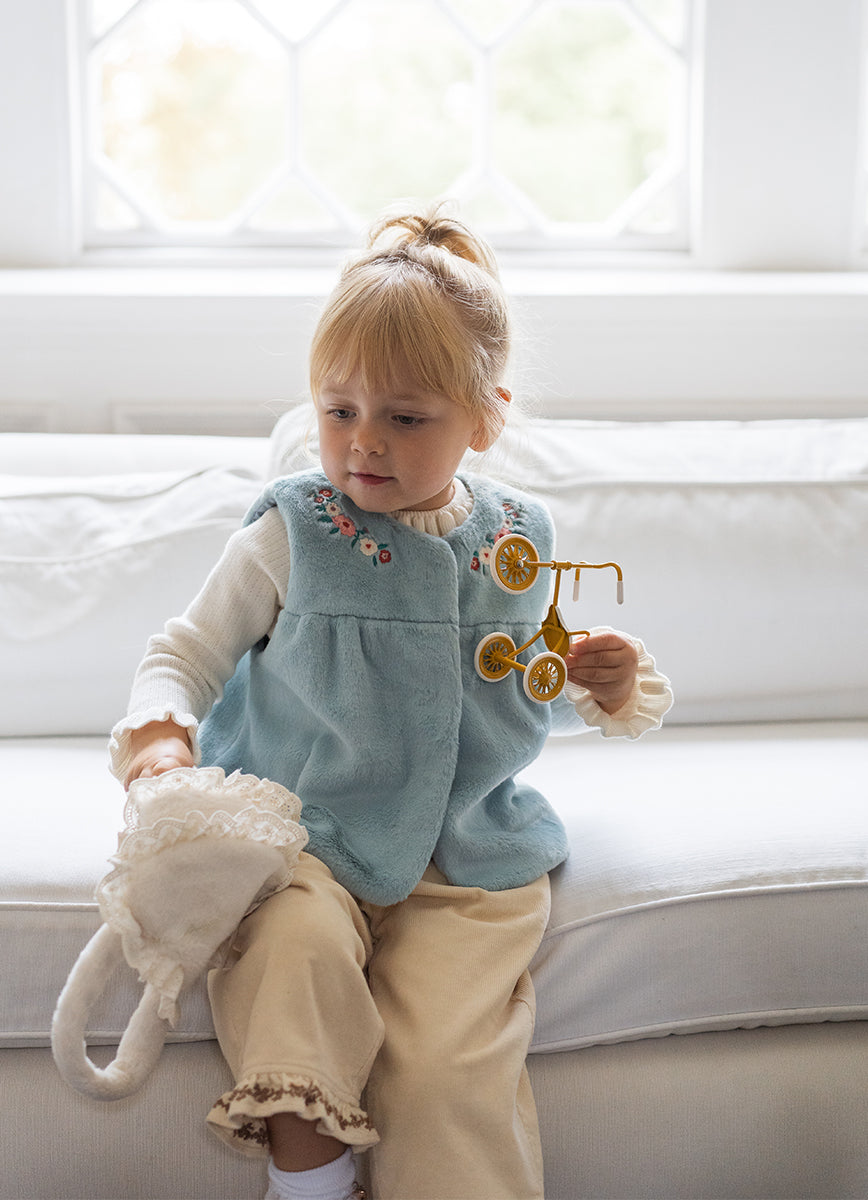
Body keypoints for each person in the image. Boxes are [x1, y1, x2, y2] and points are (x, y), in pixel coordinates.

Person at [110, 206, 672, 1200]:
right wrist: (160, 739)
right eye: (339, 412)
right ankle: (311, 1182)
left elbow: (529, 675)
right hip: (307, 838)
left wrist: (608, 679)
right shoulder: (293, 532)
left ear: (485, 419)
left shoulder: (519, 540)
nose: (363, 442)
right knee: (290, 961)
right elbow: (183, 652)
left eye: (405, 418)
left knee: (450, 1069)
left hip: (468, 861)